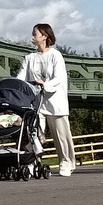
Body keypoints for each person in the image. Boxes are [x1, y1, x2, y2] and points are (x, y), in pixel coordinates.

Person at [16, 23, 75, 176]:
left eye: (35, 33)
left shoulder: (56, 55)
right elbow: (21, 78)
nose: (32, 36)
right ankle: (32, 162)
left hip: (55, 100)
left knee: (61, 135)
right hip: (36, 101)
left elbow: (59, 78)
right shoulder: (29, 58)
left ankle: (65, 162)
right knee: (34, 133)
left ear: (45, 36)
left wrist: (46, 84)